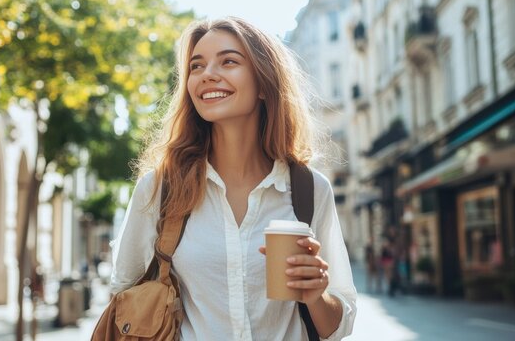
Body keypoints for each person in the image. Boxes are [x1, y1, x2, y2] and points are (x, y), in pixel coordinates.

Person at [110, 17, 357, 340]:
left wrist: (316, 295)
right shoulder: (159, 189)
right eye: (196, 66)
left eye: (228, 61)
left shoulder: (309, 190)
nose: (207, 74)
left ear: (265, 84)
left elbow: (339, 324)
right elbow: (123, 294)